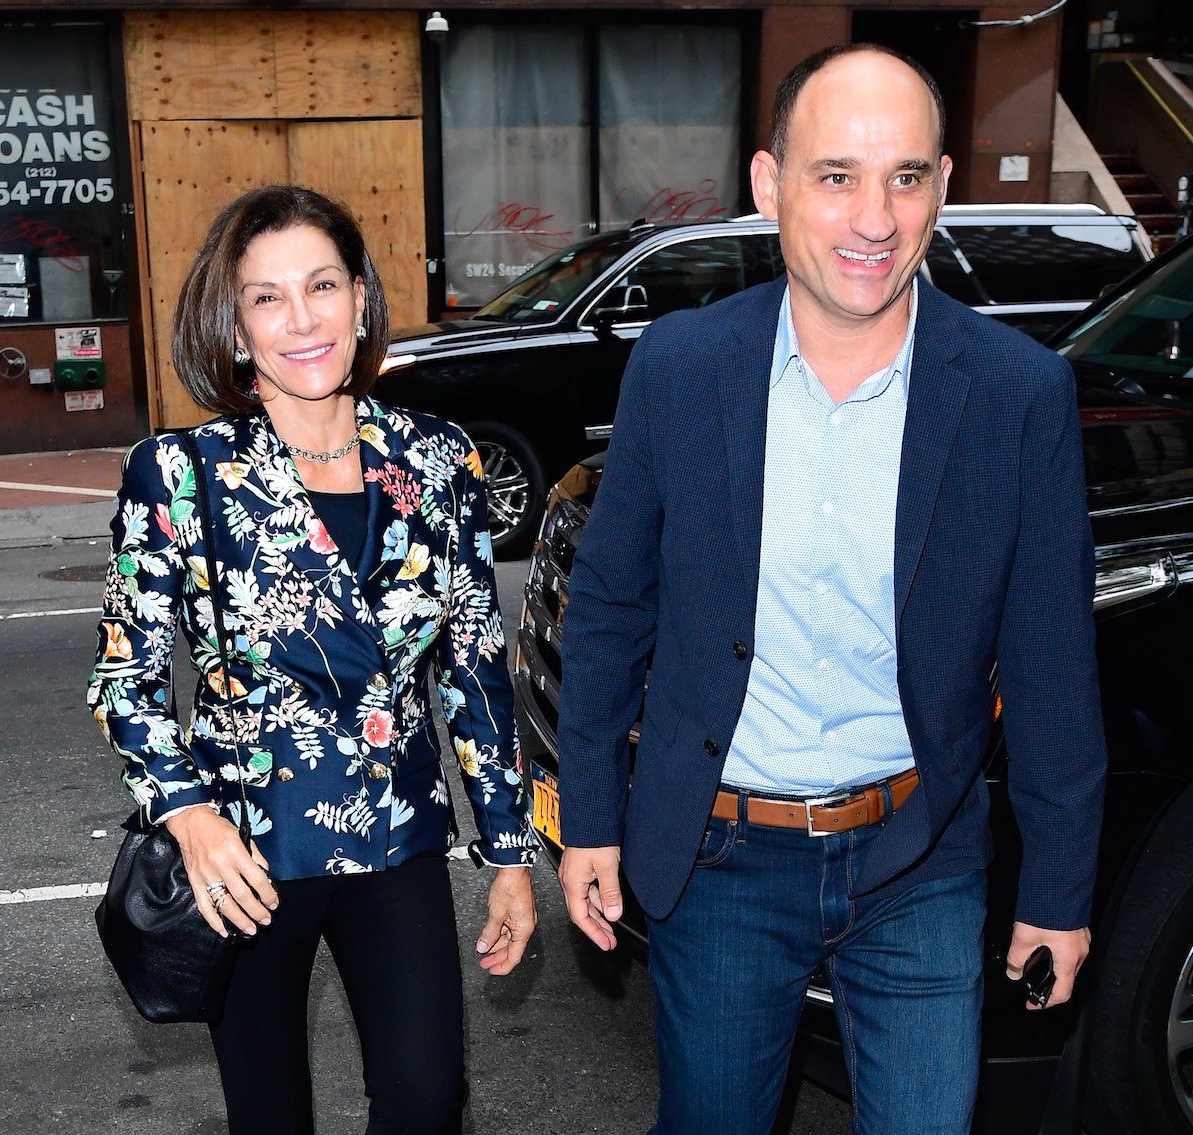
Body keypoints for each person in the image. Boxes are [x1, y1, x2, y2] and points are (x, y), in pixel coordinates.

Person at [556, 43, 1106, 1135]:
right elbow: (612, 605)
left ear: (944, 188)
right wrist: (591, 819)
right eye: (837, 176)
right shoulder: (681, 365)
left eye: (906, 177)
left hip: (922, 850)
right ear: (769, 187)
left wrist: (1059, 891)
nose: (876, 217)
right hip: (719, 852)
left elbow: (1050, 663)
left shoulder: (1017, 394)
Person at [88, 184, 537, 1135]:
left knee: (426, 1100)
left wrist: (506, 850)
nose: (303, 319)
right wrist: (191, 817)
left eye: (323, 285)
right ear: (237, 326)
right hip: (247, 856)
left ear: (362, 300)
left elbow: (473, 664)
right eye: (267, 297)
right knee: (270, 1115)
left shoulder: (438, 461)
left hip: (397, 837)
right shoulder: (182, 474)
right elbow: (122, 676)